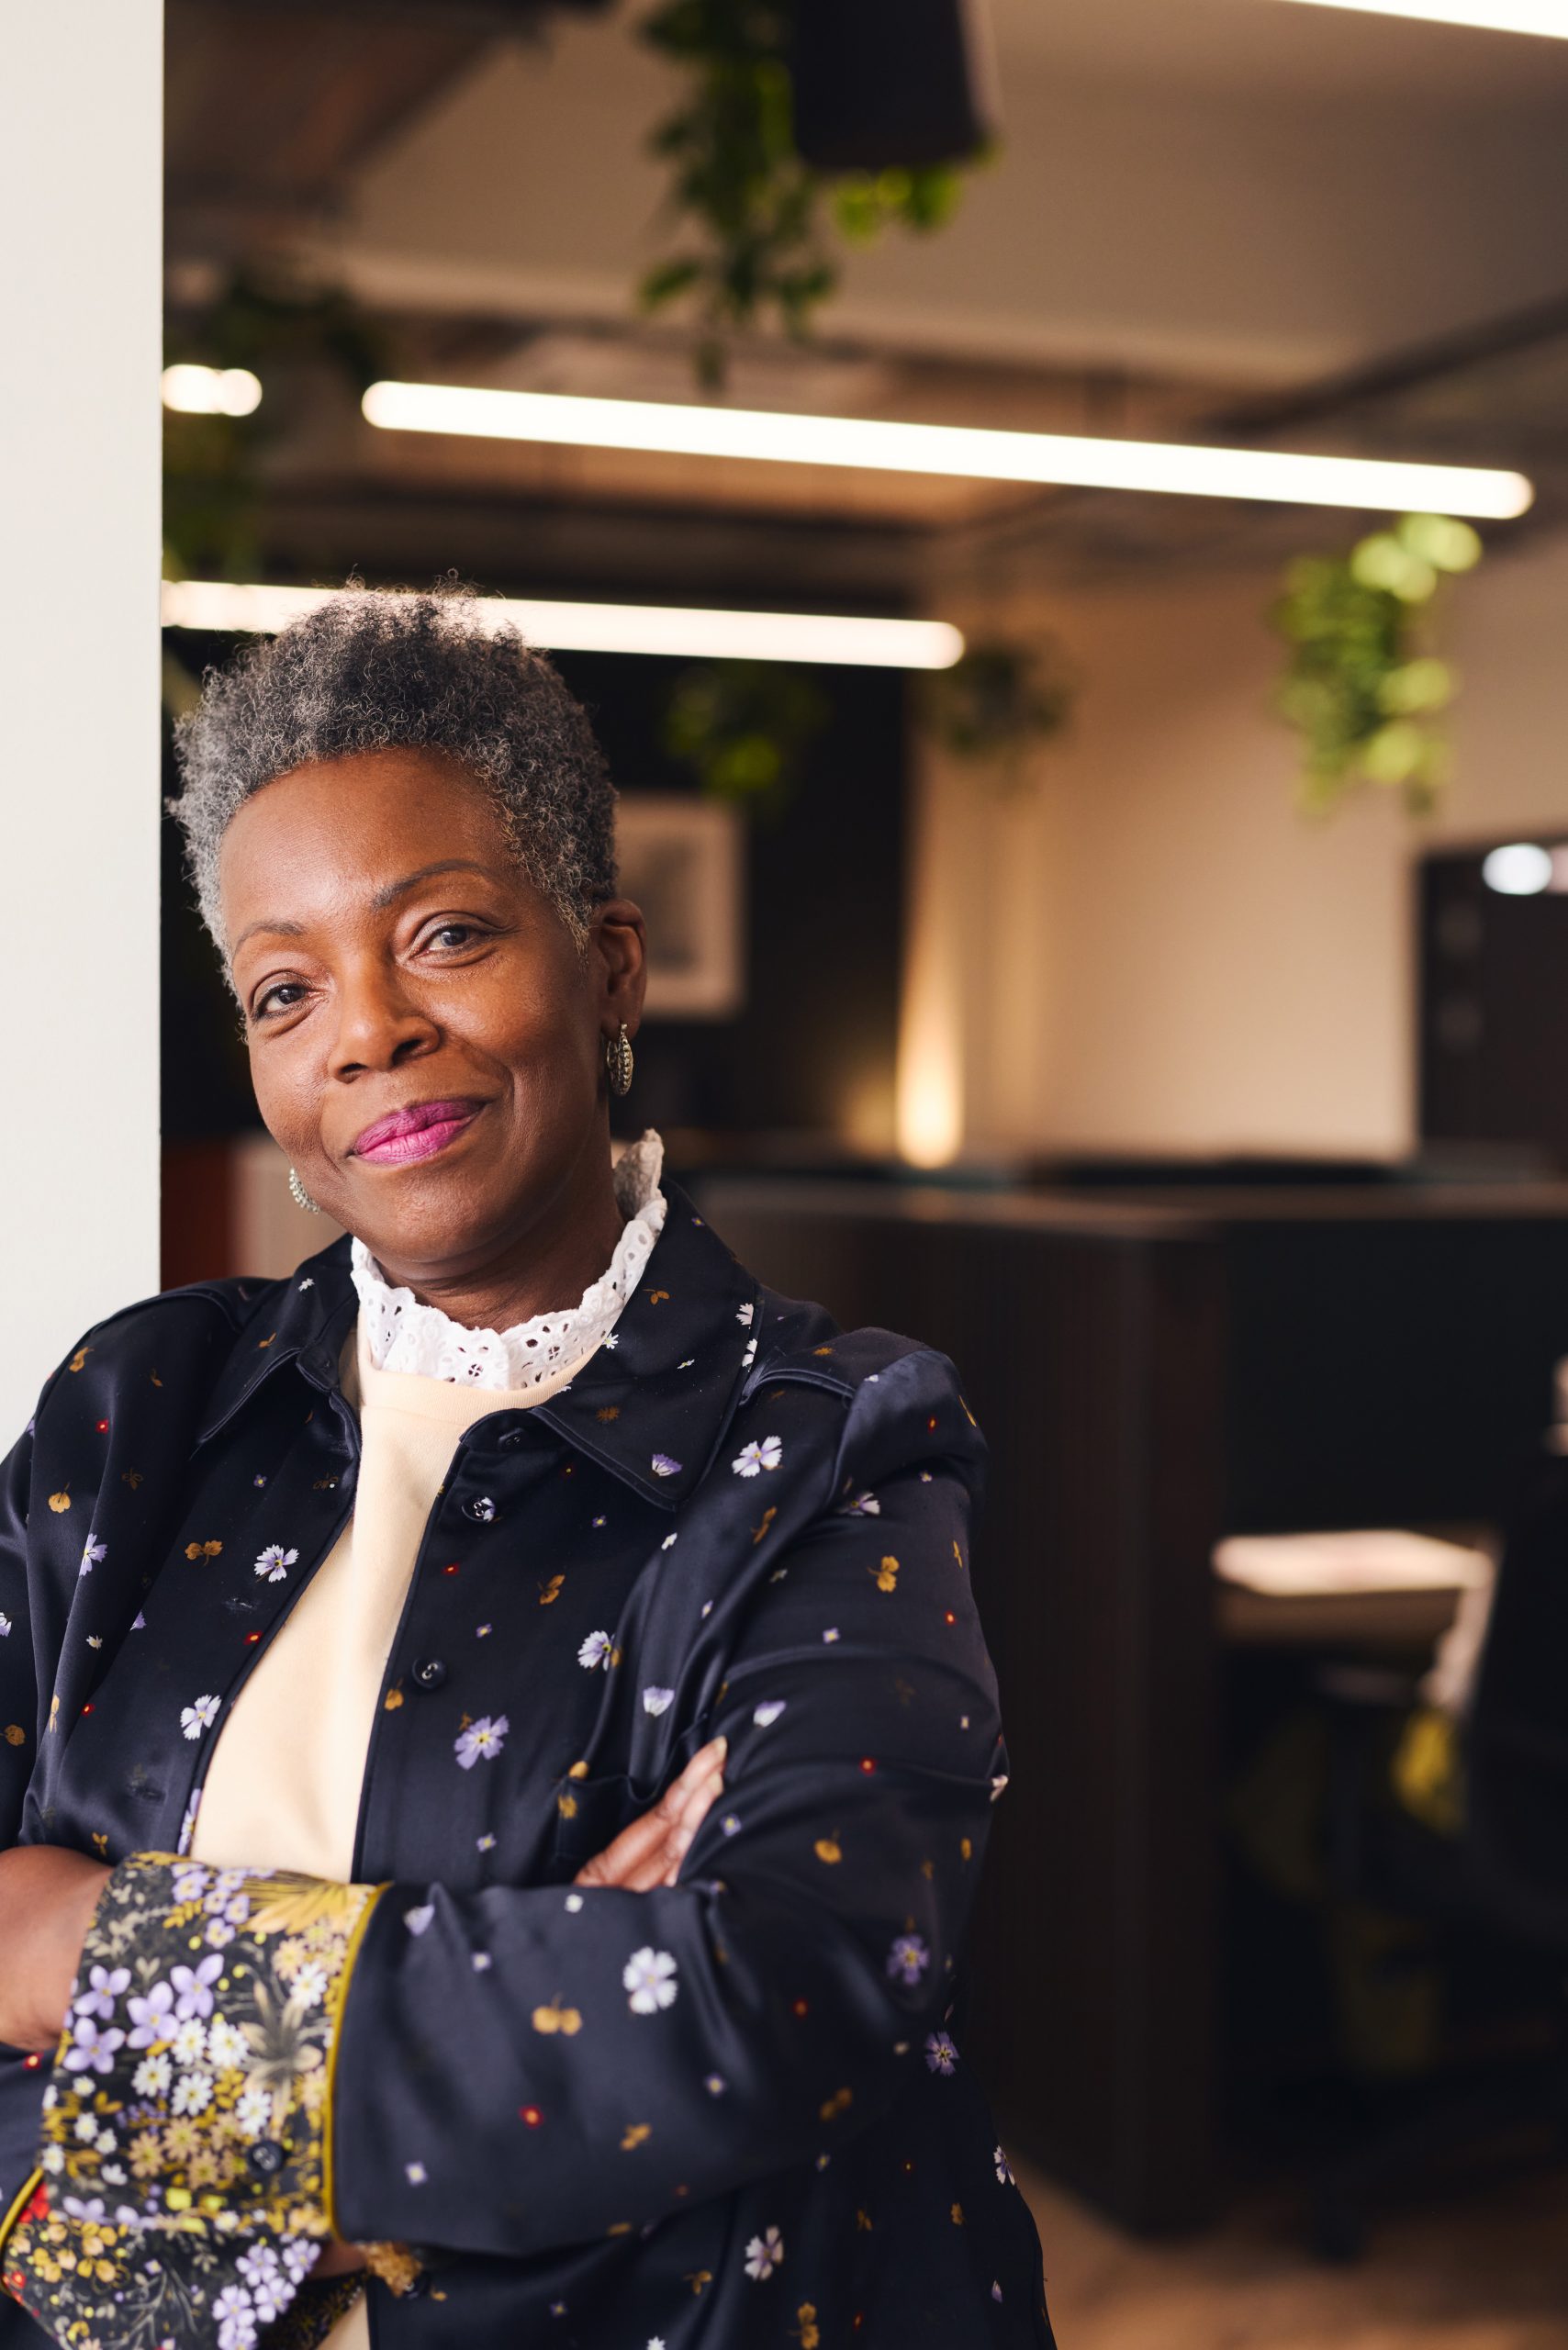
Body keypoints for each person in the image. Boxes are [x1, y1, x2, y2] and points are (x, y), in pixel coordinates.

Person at [0, 591, 1053, 2350]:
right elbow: (618, 2070)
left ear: (610, 963)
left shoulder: (824, 1443)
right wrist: (515, 2002)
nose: (367, 1031)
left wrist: (75, 1953)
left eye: (447, 936)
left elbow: (765, 2014)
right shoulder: (142, 1414)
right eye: (285, 988)